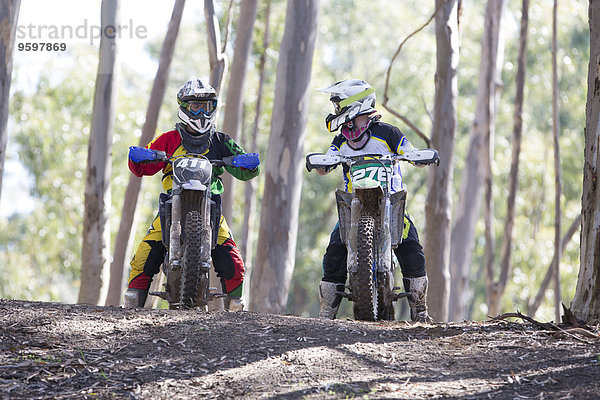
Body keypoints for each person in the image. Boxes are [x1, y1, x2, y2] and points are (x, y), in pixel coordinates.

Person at [123, 78, 259, 311]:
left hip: (211, 209)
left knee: (234, 262)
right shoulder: (168, 139)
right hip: (171, 206)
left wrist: (244, 162)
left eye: (207, 106)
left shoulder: (220, 141)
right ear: (184, 107)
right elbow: (140, 167)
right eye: (196, 106)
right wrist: (143, 157)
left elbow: (248, 170)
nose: (201, 112)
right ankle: (131, 307)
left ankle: (236, 310)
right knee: (144, 255)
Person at [309, 78, 433, 323]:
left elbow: (407, 149)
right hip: (354, 205)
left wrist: (417, 157)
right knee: (335, 250)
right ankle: (326, 313)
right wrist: (321, 163)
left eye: (339, 106)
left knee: (411, 248)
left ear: (355, 105)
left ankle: (420, 310)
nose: (336, 112)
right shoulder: (341, 139)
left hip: (390, 203)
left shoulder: (388, 133)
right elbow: (328, 160)